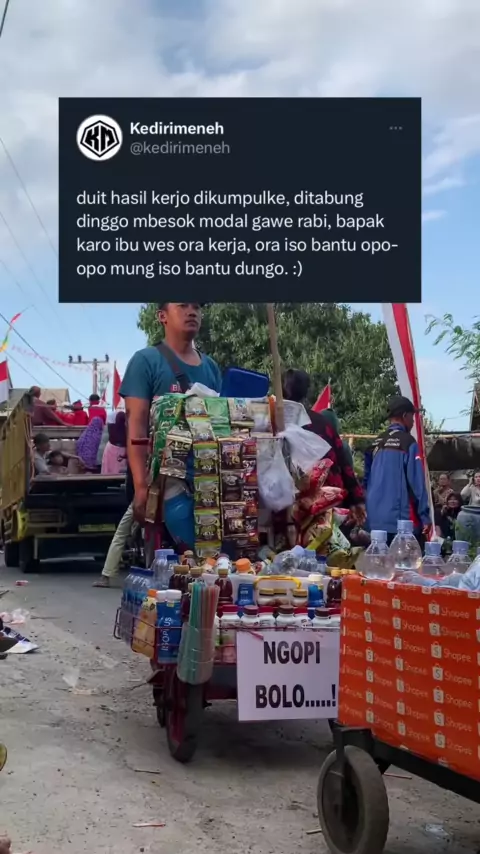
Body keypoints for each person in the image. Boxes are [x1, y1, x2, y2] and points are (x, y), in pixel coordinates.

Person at [93, 302, 221, 588]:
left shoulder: (211, 367)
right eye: (183, 305)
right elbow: (136, 427)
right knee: (171, 570)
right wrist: (141, 487)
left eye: (197, 307)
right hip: (161, 480)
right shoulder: (145, 361)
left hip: (208, 479)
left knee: (214, 564)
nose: (192, 312)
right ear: (162, 316)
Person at [281, 368, 366, 523]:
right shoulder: (322, 424)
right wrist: (357, 499)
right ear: (307, 391)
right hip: (325, 503)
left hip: (283, 504)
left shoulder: (270, 421)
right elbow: (344, 464)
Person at [364, 395, 431, 543]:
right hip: (400, 524)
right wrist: (424, 517)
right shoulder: (408, 443)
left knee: (377, 557)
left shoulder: (375, 443)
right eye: (412, 417)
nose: (413, 422)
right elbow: (417, 484)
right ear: (405, 416)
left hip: (373, 524)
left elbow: (365, 482)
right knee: (404, 558)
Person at [101, 410, 127, 474]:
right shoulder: (127, 429)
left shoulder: (111, 427)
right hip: (122, 450)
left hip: (110, 448)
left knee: (108, 468)